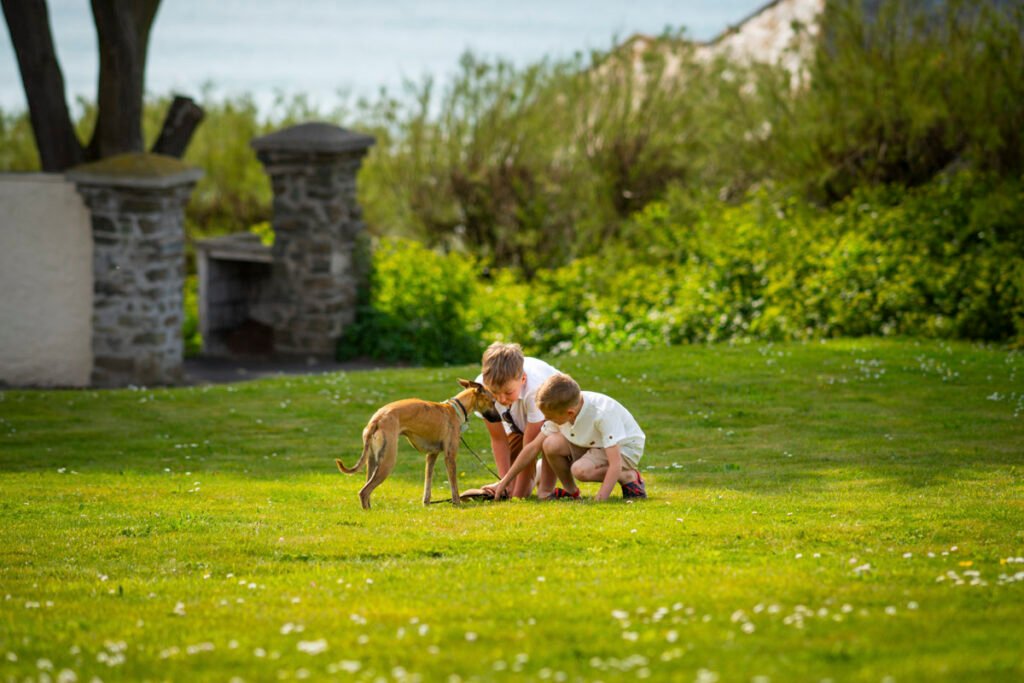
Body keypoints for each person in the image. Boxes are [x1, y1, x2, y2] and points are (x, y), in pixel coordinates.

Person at [487, 373, 647, 502]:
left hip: (624, 449)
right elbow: (533, 447)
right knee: (549, 443)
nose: (547, 420)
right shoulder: (563, 409)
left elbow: (615, 463)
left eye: (551, 417)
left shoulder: (601, 414)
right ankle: (572, 492)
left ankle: (629, 476)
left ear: (570, 413)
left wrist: (600, 500)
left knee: (580, 470)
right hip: (591, 442)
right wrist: (505, 481)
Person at [476, 342, 561, 499]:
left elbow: (530, 446)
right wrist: (505, 483)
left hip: (554, 425)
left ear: (523, 379)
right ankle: (538, 471)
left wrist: (516, 495)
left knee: (520, 494)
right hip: (518, 425)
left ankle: (551, 467)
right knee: (511, 490)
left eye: (508, 392)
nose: (501, 399)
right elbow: (498, 438)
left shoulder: (536, 389)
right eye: (494, 392)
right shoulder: (480, 391)